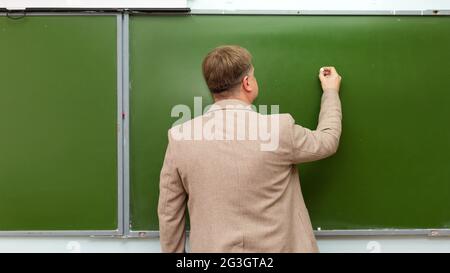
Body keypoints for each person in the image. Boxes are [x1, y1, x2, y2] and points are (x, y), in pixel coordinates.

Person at [158, 45, 342, 252]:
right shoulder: (279, 130)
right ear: (247, 83)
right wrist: (331, 92)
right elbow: (328, 140)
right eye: (252, 75)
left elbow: (169, 212)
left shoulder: (180, 137)